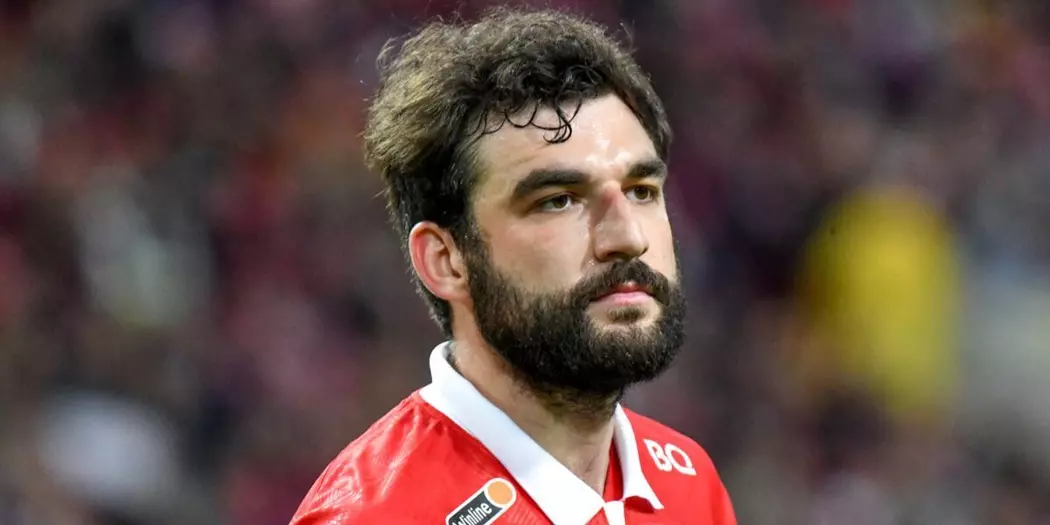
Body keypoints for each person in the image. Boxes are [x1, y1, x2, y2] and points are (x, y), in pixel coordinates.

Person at [290, 7, 736, 525]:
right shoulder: (377, 515)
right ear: (446, 260)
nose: (629, 238)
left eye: (641, 191)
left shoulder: (689, 485)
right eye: (558, 201)